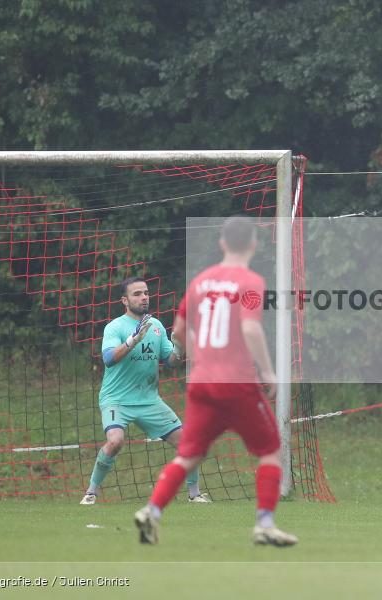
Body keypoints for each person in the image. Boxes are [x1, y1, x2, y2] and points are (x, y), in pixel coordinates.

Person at [134, 216, 297, 547]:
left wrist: (202, 356)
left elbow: (178, 331)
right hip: (237, 383)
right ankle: (264, 524)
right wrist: (268, 372)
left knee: (189, 455)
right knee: (269, 451)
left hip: (202, 383)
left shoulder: (200, 282)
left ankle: (152, 511)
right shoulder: (250, 280)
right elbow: (250, 328)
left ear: (222, 243)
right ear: (253, 244)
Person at [80, 277, 209, 505]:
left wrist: (180, 349)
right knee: (115, 441)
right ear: (125, 300)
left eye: (146, 293)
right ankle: (91, 492)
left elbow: (170, 362)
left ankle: (194, 494)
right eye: (137, 294)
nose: (144, 297)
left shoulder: (157, 326)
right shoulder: (115, 327)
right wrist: (132, 340)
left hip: (149, 400)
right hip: (116, 399)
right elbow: (109, 359)